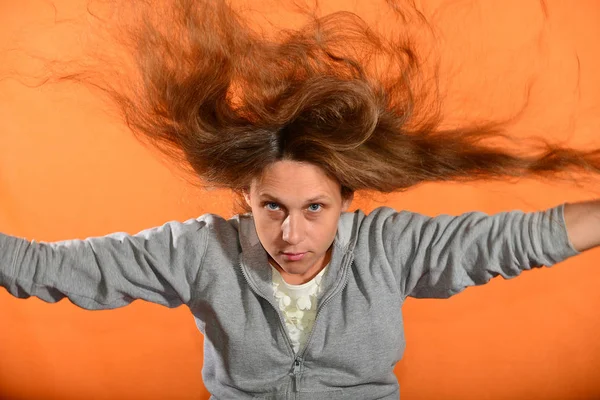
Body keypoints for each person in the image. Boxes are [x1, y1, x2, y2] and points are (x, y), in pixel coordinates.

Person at [1, 0, 599, 399]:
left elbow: (520, 239)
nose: (292, 236)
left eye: (315, 209)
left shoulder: (389, 247)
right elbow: (50, 269)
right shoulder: (200, 251)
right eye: (273, 209)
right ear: (245, 197)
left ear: (347, 198)